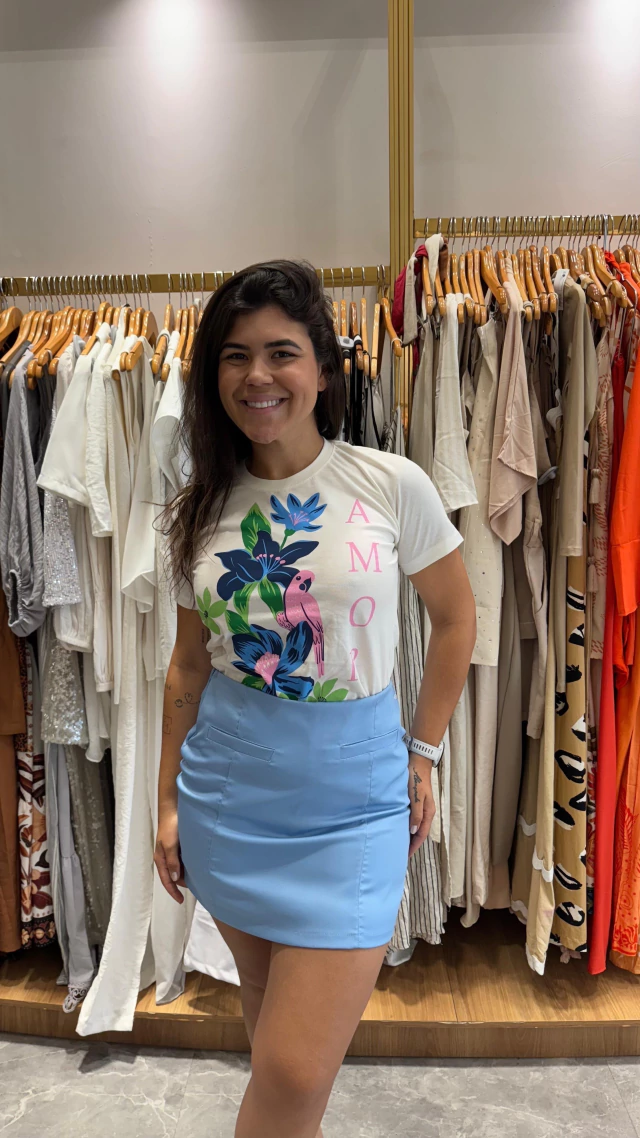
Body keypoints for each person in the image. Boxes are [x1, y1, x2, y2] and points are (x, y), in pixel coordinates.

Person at [155, 260, 476, 1138]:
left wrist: (424, 751)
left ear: (325, 370)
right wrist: (167, 803)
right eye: (234, 356)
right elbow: (187, 668)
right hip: (229, 798)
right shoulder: (197, 510)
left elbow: (456, 620)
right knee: (274, 1045)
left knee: (295, 1070)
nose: (257, 376)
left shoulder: (391, 483)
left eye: (281, 353)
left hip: (354, 807)